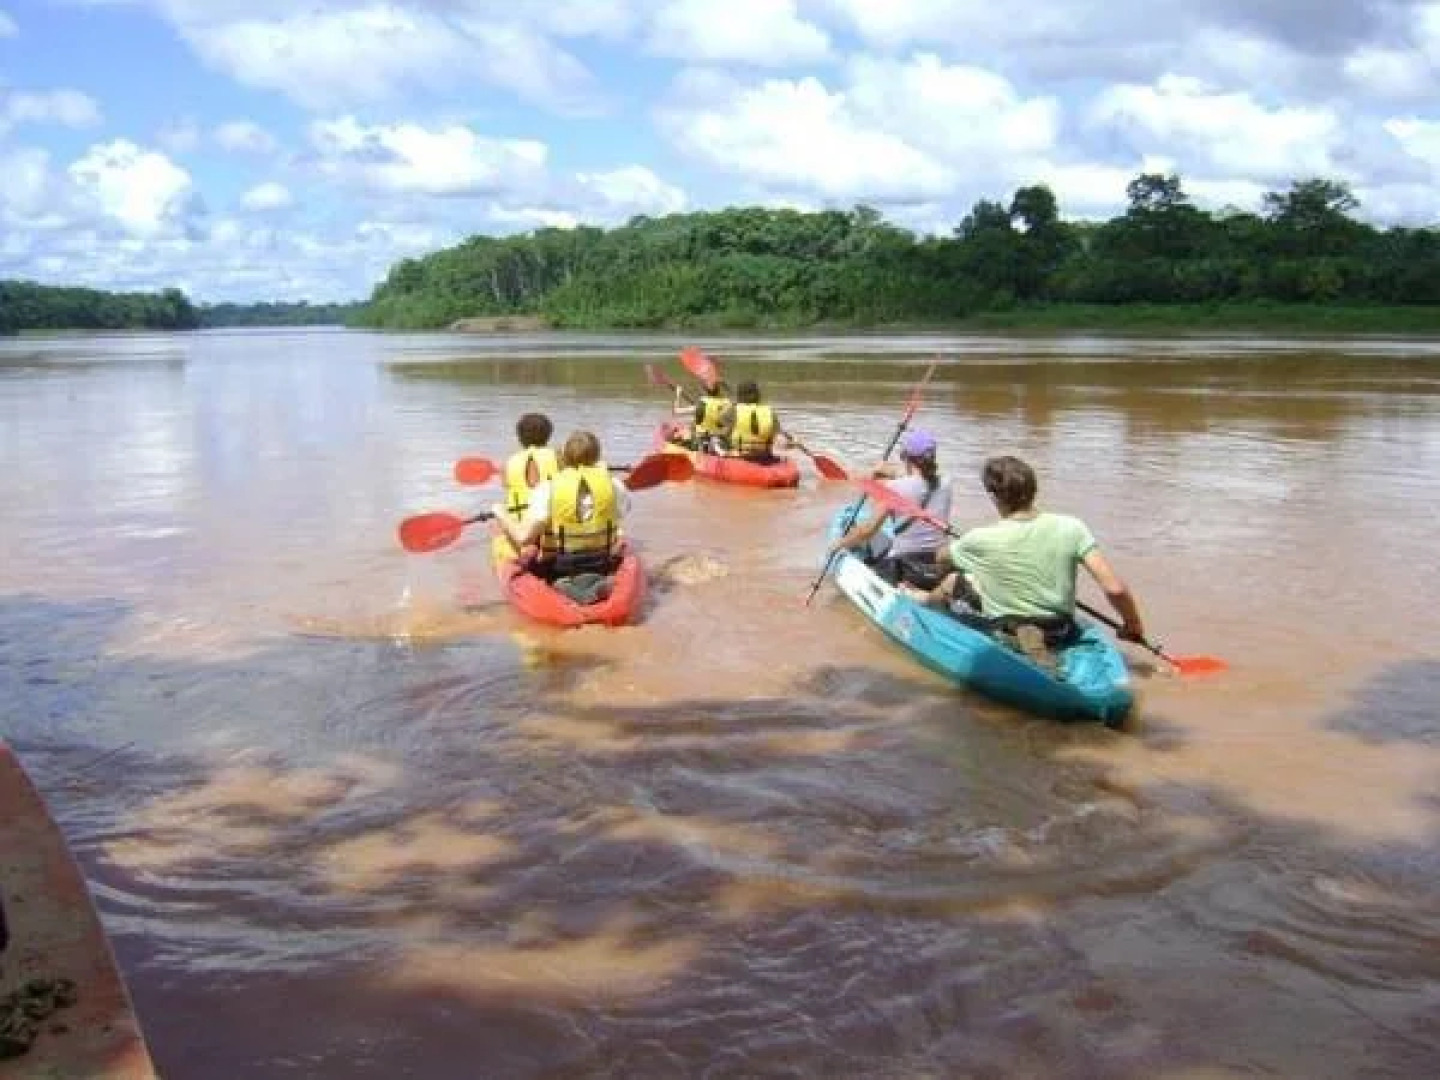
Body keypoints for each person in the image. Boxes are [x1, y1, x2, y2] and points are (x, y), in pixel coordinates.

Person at [911, 455, 1146, 669]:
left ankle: (923, 607)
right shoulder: (1072, 527)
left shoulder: (979, 539)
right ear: (1034, 490)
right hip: (1060, 631)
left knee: (954, 580)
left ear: (993, 497)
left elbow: (940, 557)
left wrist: (961, 552)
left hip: (1009, 633)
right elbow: (1115, 588)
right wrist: (1132, 624)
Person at [493, 430, 631, 600]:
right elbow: (620, 515)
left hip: (560, 567)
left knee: (532, 546)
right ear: (598, 457)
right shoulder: (615, 485)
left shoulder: (547, 489)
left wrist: (501, 513)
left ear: (564, 459)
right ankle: (599, 585)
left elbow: (523, 538)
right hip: (602, 562)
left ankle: (564, 587)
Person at [827, 429, 951, 588]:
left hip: (904, 568)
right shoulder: (947, 483)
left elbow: (868, 530)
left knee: (857, 532)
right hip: (936, 564)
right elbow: (921, 480)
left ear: (905, 457)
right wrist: (889, 471)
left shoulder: (895, 488)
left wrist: (837, 545)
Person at [722, 380, 793, 463]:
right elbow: (781, 436)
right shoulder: (769, 412)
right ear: (758, 395)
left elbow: (724, 431)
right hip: (764, 456)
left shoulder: (733, 410)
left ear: (740, 396)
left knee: (717, 440)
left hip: (740, 456)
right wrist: (790, 440)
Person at [502, 412, 559, 516]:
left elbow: (507, 489)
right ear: (549, 435)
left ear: (519, 438)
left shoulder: (509, 463)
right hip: (551, 522)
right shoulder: (559, 457)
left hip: (520, 522)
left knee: (500, 507)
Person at [670, 377, 732, 453]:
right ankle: (717, 448)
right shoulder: (728, 404)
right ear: (719, 390)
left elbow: (676, 411)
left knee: (692, 426)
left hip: (702, 438)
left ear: (706, 391)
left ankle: (706, 448)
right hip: (720, 437)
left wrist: (678, 394)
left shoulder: (700, 405)